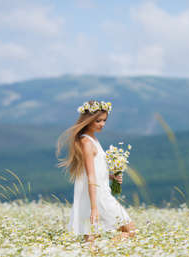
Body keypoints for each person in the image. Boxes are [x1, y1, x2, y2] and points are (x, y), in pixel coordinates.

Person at [56, 100, 136, 243]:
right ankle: (101, 250)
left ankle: (94, 255)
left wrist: (111, 176)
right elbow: (90, 176)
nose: (102, 124)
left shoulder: (92, 139)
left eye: (104, 120)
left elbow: (96, 170)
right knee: (130, 230)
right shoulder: (86, 142)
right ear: (88, 120)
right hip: (99, 196)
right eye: (98, 121)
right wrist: (93, 208)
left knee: (91, 238)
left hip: (101, 192)